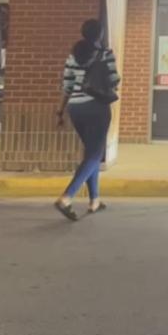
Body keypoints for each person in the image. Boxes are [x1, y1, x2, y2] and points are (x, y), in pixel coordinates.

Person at [54, 18, 120, 220]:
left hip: (75, 108)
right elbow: (114, 80)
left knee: (91, 153)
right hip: (97, 106)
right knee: (95, 154)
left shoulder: (73, 56)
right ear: (100, 34)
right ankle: (66, 197)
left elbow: (67, 85)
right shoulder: (105, 54)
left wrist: (60, 111)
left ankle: (95, 200)